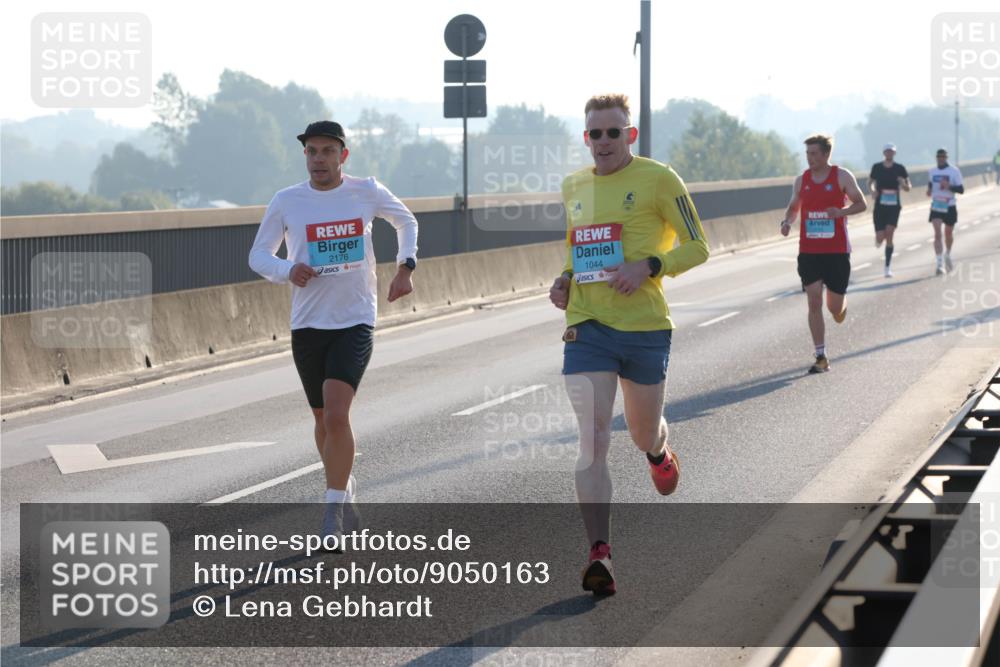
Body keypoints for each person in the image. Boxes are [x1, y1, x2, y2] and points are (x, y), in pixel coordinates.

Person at [549, 93, 709, 595]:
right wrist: (565, 279)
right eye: (594, 134)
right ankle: (600, 554)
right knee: (593, 437)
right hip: (588, 324)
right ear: (586, 138)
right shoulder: (573, 185)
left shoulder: (660, 179)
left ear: (630, 135)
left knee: (641, 433)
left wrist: (650, 266)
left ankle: (659, 452)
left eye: (612, 133)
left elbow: (699, 245)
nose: (602, 142)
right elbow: (579, 249)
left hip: (643, 328)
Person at [249, 120, 418, 544]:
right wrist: (289, 269)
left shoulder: (367, 191)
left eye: (327, 151)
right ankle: (343, 489)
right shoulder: (288, 200)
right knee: (322, 419)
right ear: (304, 155)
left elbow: (406, 222)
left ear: (343, 156)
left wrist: (406, 267)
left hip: (355, 319)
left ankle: (331, 514)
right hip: (307, 323)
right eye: (311, 151)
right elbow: (258, 254)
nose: (318, 159)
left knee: (338, 412)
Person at [780, 134, 866, 374]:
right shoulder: (802, 180)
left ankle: (840, 307)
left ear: (827, 154)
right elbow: (793, 206)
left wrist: (840, 212)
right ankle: (820, 355)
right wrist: (787, 221)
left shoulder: (841, 176)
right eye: (807, 154)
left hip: (837, 251)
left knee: (834, 307)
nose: (810, 158)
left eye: (815, 154)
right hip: (809, 251)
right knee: (813, 299)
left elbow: (861, 203)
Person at [868, 143, 910, 278]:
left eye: (891, 151)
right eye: (887, 151)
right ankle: (878, 239)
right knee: (881, 237)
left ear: (894, 153)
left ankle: (887, 266)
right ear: (884, 153)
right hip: (880, 206)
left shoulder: (900, 168)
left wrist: (902, 183)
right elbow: (869, 183)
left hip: (894, 206)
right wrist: (873, 192)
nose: (889, 153)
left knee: (890, 233)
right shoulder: (877, 167)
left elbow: (908, 187)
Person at [926, 148, 964, 275]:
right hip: (936, 205)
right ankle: (939, 264)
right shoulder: (932, 171)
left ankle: (947, 253)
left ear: (946, 158)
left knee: (948, 234)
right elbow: (931, 185)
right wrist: (929, 191)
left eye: (943, 156)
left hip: (950, 205)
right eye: (939, 156)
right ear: (936, 158)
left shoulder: (954, 171)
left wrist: (949, 186)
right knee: (937, 234)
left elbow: (961, 189)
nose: (941, 158)